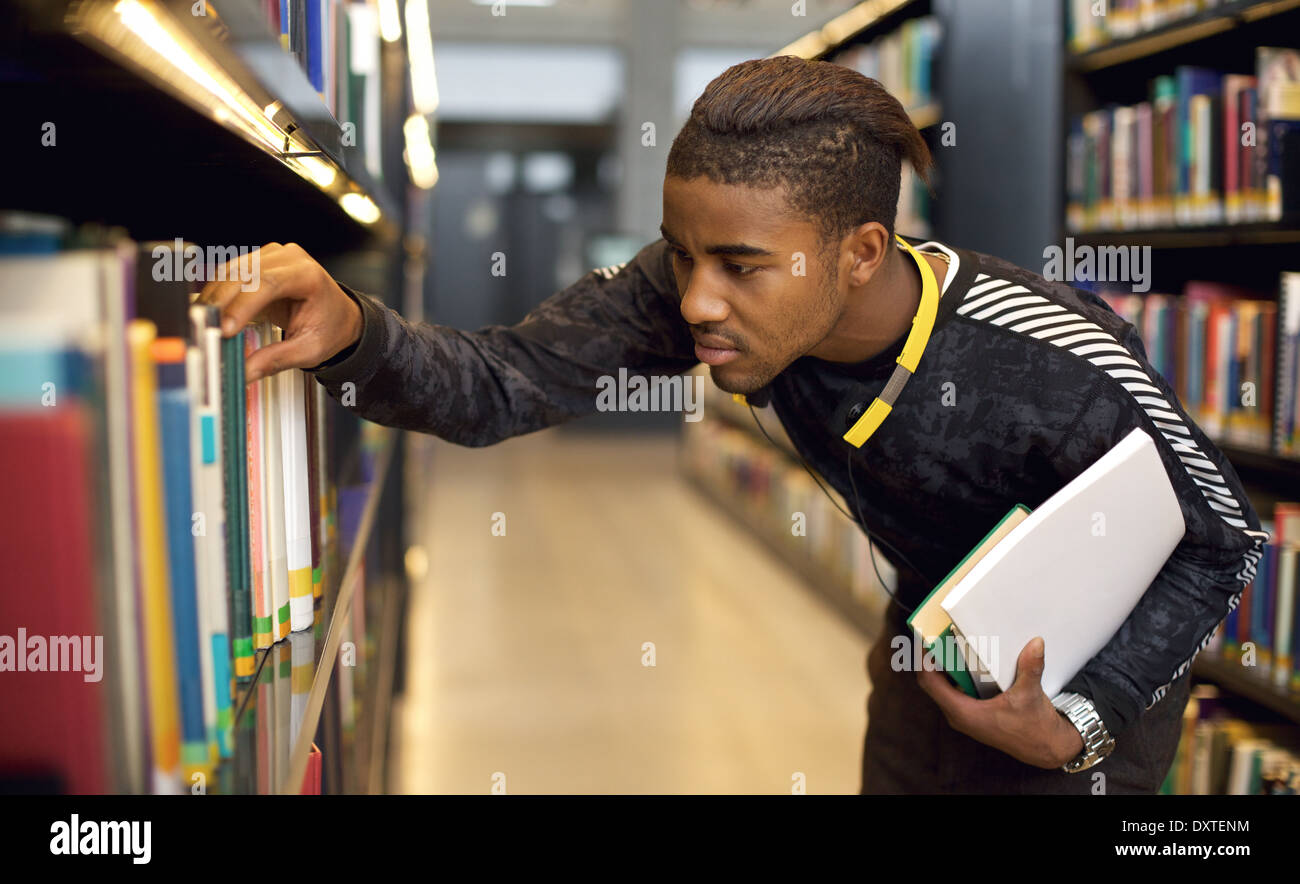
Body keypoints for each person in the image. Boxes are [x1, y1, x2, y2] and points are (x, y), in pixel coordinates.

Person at [199, 56, 1267, 794]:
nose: (697, 299)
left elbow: (1224, 536)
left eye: (740, 266)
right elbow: (506, 379)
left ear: (857, 252)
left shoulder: (1046, 354)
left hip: (1082, 698)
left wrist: (1084, 717)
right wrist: (355, 336)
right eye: (683, 253)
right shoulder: (696, 289)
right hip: (921, 653)